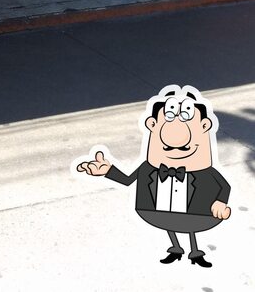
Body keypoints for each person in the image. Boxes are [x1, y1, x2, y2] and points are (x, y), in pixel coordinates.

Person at [77, 84, 231, 268]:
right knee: (170, 223)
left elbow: (225, 186)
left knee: (189, 227)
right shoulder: (149, 167)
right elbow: (127, 180)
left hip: (197, 214)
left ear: (204, 127)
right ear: (152, 125)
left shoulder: (205, 173)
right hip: (157, 211)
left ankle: (195, 252)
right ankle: (175, 249)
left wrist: (220, 202)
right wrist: (107, 171)